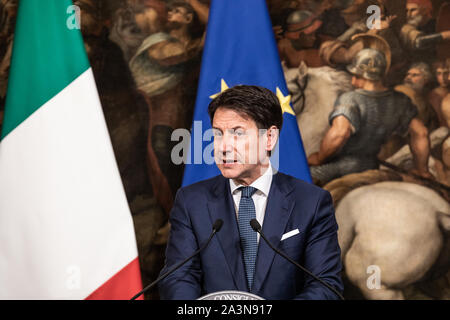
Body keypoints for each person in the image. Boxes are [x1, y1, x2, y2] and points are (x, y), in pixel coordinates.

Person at [158, 85, 344, 300]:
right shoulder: (192, 201)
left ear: (269, 138)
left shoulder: (311, 202)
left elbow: (325, 286)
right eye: (218, 134)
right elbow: (179, 278)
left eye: (237, 134)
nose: (223, 147)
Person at [308, 48, 431, 186]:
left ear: (363, 75)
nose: (353, 81)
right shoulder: (401, 101)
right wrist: (422, 170)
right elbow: (421, 133)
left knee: (298, 179)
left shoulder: (350, 99)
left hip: (343, 167)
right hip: (372, 165)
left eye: (355, 75)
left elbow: (339, 134)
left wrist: (319, 158)